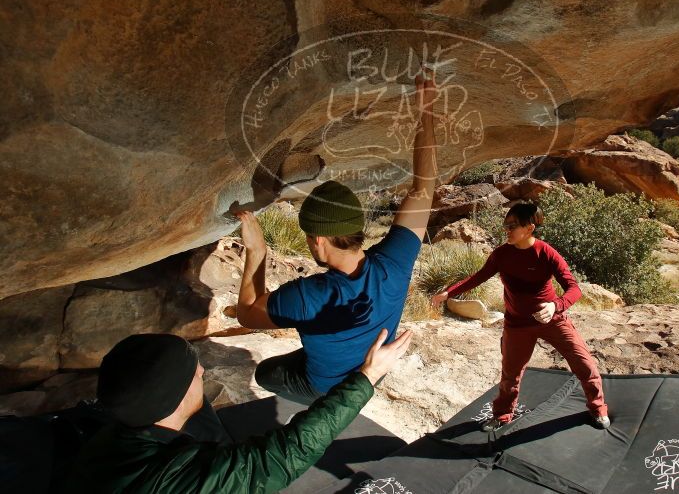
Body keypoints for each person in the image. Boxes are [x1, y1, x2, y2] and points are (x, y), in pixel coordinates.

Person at [235, 71, 438, 404]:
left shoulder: (306, 297)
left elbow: (247, 313)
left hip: (328, 388)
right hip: (371, 372)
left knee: (265, 373)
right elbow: (423, 187)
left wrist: (257, 251)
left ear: (317, 240)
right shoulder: (396, 262)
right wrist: (425, 110)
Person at [63, 329, 412, 492]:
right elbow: (286, 455)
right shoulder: (179, 479)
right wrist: (368, 375)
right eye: (192, 371)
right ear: (173, 396)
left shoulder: (109, 438)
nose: (202, 372)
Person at [431, 202, 610, 431]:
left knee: (584, 364)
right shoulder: (502, 255)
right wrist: (448, 293)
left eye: (512, 225)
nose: (506, 229)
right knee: (510, 375)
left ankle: (597, 408)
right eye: (506, 224)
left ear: (529, 227)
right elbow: (478, 277)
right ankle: (502, 415)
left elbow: (574, 289)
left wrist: (556, 306)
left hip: (552, 321)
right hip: (516, 325)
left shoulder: (546, 253)